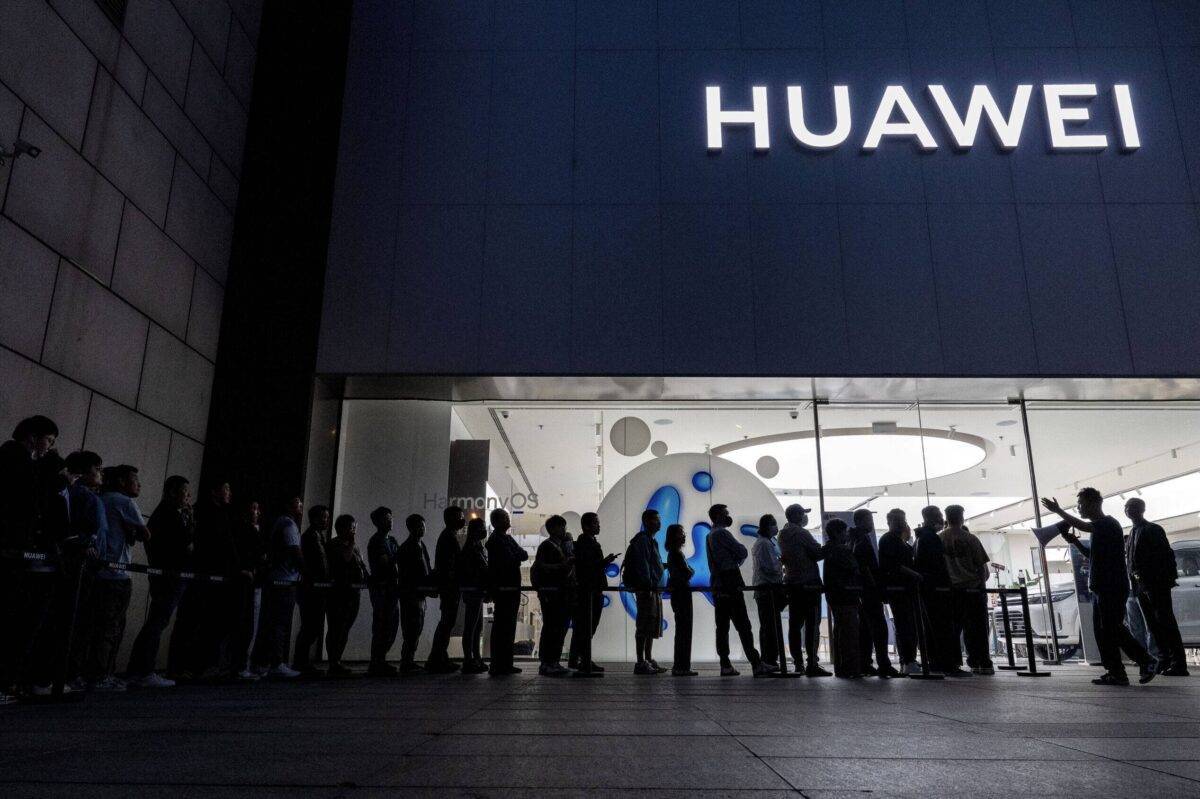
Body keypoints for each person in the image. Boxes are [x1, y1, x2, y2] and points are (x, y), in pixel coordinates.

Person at [1043, 489, 1156, 686]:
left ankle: (1145, 661)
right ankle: (1117, 672)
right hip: (1103, 586)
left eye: (1081, 504)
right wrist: (1075, 542)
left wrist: (1059, 511)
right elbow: (1091, 554)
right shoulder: (1101, 528)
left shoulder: (1107, 523)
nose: (1079, 508)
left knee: (1112, 629)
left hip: (1110, 586)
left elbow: (1085, 526)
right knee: (1104, 631)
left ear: (1094, 503)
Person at [0, 416, 59, 702]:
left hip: (17, 550)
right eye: (48, 441)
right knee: (13, 617)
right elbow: (29, 498)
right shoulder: (16, 461)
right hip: (13, 551)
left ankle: (9, 681)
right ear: (33, 437)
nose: (49, 448)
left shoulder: (19, 460)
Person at [126, 475, 193, 689]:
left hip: (167, 574)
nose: (188, 497)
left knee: (156, 621)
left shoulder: (163, 514)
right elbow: (184, 544)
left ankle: (139, 669)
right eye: (185, 492)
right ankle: (143, 670)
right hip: (170, 576)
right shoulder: (169, 515)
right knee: (157, 622)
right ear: (173, 492)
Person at [183, 479, 238, 681]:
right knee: (202, 621)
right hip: (208, 575)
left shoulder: (218, 513)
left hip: (216, 575)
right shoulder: (208, 512)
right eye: (226, 488)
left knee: (211, 622)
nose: (229, 492)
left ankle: (205, 664)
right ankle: (197, 665)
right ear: (214, 491)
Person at [1125, 498, 1187, 676]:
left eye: (1133, 507)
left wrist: (1166, 580)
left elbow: (1166, 556)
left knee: (1166, 623)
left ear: (1142, 509)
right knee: (1153, 625)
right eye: (1127, 507)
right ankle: (1164, 659)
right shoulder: (1132, 533)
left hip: (1156, 585)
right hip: (1139, 586)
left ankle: (1178, 663)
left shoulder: (1152, 529)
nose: (1129, 510)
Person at [706, 504, 767, 677]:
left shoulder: (709, 535)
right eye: (726, 513)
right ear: (718, 516)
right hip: (731, 583)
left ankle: (725, 664)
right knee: (743, 625)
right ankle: (756, 663)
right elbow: (742, 551)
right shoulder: (722, 533)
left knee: (722, 627)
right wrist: (735, 558)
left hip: (718, 585)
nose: (728, 515)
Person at [250, 497, 304, 679]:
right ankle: (276, 662)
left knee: (272, 623)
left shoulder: (280, 523)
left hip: (279, 579)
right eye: (297, 503)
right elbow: (294, 551)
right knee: (279, 623)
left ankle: (265, 661)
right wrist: (307, 573)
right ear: (288, 506)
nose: (300, 507)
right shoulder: (289, 525)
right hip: (284, 581)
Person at [777, 504, 830, 677]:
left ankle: (798, 662)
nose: (804, 517)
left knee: (795, 624)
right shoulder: (801, 533)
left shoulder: (782, 534)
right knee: (812, 625)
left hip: (792, 584)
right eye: (803, 514)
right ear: (798, 516)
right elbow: (817, 553)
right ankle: (812, 663)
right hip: (809, 584)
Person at [941, 504, 994, 675]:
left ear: (946, 518)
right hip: (973, 591)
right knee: (977, 629)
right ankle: (981, 662)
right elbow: (982, 569)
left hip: (950, 592)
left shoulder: (939, 539)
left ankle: (953, 662)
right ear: (962, 518)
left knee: (953, 630)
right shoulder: (971, 539)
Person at [913, 505, 962, 675]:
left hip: (928, 589)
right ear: (933, 517)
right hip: (938, 589)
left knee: (931, 627)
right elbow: (938, 564)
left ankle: (934, 662)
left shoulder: (919, 538)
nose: (942, 518)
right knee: (943, 627)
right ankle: (948, 664)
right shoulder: (931, 538)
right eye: (939, 515)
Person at [849, 509, 897, 678]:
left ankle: (866, 663)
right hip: (869, 590)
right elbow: (865, 567)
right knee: (879, 627)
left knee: (866, 628)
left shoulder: (855, 539)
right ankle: (883, 662)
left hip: (863, 591)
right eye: (869, 520)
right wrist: (875, 587)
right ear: (861, 521)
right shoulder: (862, 541)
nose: (872, 523)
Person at [568, 511, 614, 672]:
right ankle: (582, 658)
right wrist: (605, 562)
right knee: (587, 626)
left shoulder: (588, 542)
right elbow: (588, 567)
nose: (598, 525)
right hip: (589, 590)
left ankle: (577, 658)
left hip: (592, 589)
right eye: (595, 523)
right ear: (586, 526)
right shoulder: (585, 544)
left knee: (585, 627)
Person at [878, 508, 920, 675]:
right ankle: (908, 660)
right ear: (889, 522)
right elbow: (893, 565)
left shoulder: (900, 540)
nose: (901, 522)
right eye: (897, 520)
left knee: (908, 625)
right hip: (898, 590)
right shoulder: (888, 540)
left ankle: (909, 659)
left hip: (905, 589)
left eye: (903, 519)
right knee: (905, 625)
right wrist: (914, 574)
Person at [624, 509, 665, 675]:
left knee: (650, 624)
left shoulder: (650, 541)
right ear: (646, 522)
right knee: (644, 624)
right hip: (646, 589)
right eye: (655, 520)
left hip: (652, 589)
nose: (658, 523)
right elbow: (643, 565)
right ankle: (641, 661)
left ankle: (648, 658)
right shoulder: (642, 541)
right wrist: (648, 585)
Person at [486, 508, 527, 676]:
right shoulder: (496, 540)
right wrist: (515, 555)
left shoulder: (505, 539)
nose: (508, 520)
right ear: (497, 521)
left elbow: (522, 555)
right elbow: (511, 558)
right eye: (505, 518)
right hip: (504, 589)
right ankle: (498, 663)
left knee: (508, 627)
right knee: (502, 626)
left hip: (511, 589)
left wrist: (515, 555)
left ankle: (505, 663)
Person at [230, 498, 267, 680]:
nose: (257, 512)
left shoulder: (253, 530)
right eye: (254, 508)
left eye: (258, 508)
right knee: (246, 625)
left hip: (253, 582)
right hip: (247, 583)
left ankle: (243, 664)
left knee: (250, 625)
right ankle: (239, 665)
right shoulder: (244, 530)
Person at [532, 514, 574, 676]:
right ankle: (548, 662)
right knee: (552, 627)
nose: (564, 530)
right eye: (562, 527)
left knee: (558, 628)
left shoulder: (559, 546)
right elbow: (545, 568)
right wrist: (563, 565)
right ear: (554, 528)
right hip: (552, 594)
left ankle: (553, 661)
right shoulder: (548, 547)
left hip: (560, 594)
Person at [426, 506, 466, 673]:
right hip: (449, 587)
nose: (462, 520)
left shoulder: (449, 536)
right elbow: (450, 564)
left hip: (450, 586)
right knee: (446, 622)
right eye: (459, 517)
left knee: (447, 623)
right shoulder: (449, 537)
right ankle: (437, 658)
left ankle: (440, 656)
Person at [325, 514, 366, 677]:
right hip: (338, 594)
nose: (354, 531)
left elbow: (360, 564)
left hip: (353, 593)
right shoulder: (333, 545)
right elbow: (346, 560)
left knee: (345, 628)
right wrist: (351, 544)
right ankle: (333, 663)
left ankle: (338, 660)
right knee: (337, 628)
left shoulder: (354, 546)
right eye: (351, 527)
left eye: (355, 527)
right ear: (341, 529)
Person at [293, 505, 331, 675]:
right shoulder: (310, 537)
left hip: (317, 588)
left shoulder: (318, 537)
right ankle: (300, 663)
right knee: (310, 626)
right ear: (315, 518)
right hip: (312, 589)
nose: (327, 521)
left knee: (312, 626)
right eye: (324, 517)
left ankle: (302, 662)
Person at [823, 519, 863, 678]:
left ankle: (841, 667)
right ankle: (851, 667)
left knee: (840, 631)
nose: (847, 534)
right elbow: (854, 568)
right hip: (846, 596)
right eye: (844, 532)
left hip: (834, 596)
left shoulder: (830, 550)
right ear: (838, 533)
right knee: (850, 632)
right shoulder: (842, 550)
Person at [366, 506, 400, 677]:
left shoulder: (391, 541)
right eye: (386, 518)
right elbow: (384, 564)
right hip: (382, 589)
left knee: (390, 625)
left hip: (392, 589)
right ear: (377, 522)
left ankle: (381, 660)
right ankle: (376, 662)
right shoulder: (378, 541)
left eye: (390, 517)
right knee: (382, 626)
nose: (390, 521)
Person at [397, 513, 434, 673]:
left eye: (423, 525)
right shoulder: (408, 547)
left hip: (420, 594)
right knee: (411, 628)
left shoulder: (420, 545)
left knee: (416, 627)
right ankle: (407, 661)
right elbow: (409, 573)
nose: (422, 528)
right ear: (411, 528)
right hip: (411, 594)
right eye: (419, 525)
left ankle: (409, 660)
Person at [752, 513, 786, 672]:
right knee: (769, 626)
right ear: (766, 526)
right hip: (767, 589)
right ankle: (769, 659)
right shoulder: (764, 544)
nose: (775, 527)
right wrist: (781, 565)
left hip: (766, 589)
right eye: (773, 524)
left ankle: (770, 658)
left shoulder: (767, 542)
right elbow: (771, 567)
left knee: (768, 625)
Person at [457, 516, 489, 674]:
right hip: (473, 591)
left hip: (478, 591)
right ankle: (468, 660)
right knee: (471, 627)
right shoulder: (471, 548)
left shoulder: (478, 546)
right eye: (481, 527)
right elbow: (475, 570)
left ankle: (476, 658)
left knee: (477, 627)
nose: (484, 530)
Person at [664, 524, 696, 676]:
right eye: (681, 533)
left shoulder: (672, 553)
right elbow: (688, 573)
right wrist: (691, 571)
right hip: (682, 593)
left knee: (681, 630)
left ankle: (680, 665)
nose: (684, 536)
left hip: (678, 594)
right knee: (685, 630)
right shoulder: (677, 554)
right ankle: (682, 666)